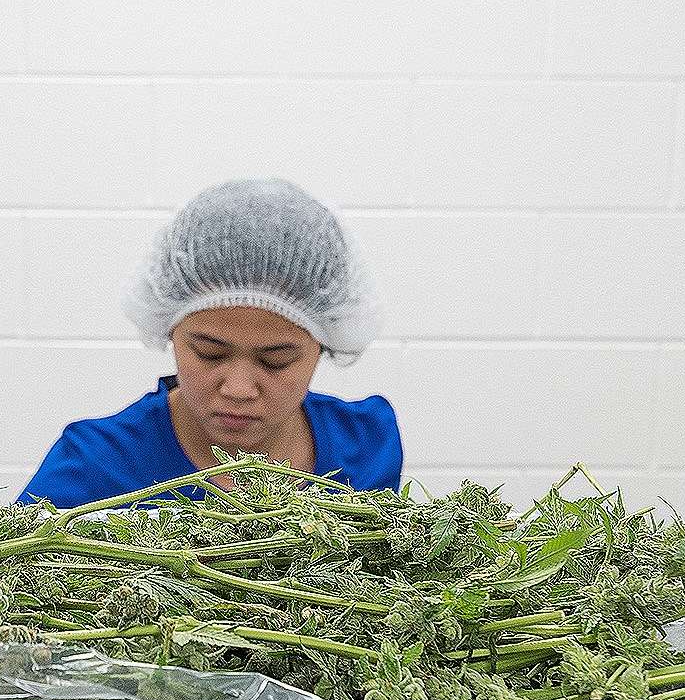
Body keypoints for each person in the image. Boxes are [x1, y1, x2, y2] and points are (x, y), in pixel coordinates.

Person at [20, 178, 402, 508]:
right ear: (170, 331)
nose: (237, 389)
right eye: (209, 353)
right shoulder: (93, 466)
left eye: (277, 360)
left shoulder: (368, 445)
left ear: (325, 343)